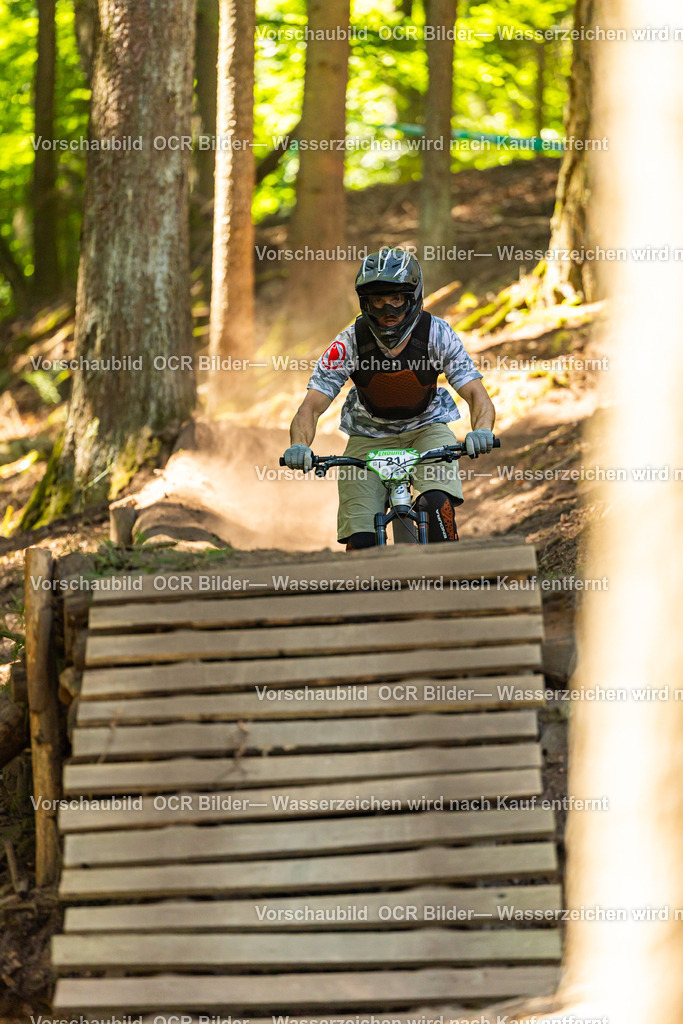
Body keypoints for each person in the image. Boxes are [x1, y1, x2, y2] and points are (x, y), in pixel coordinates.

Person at [282, 247, 495, 550]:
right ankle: (367, 594)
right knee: (362, 539)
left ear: (413, 298)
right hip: (368, 437)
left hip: (427, 429)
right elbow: (310, 407)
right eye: (378, 301)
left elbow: (476, 394)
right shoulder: (348, 342)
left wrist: (483, 430)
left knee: (435, 504)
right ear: (365, 303)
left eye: (396, 300)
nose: (387, 312)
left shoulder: (437, 334)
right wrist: (299, 445)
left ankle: (451, 580)